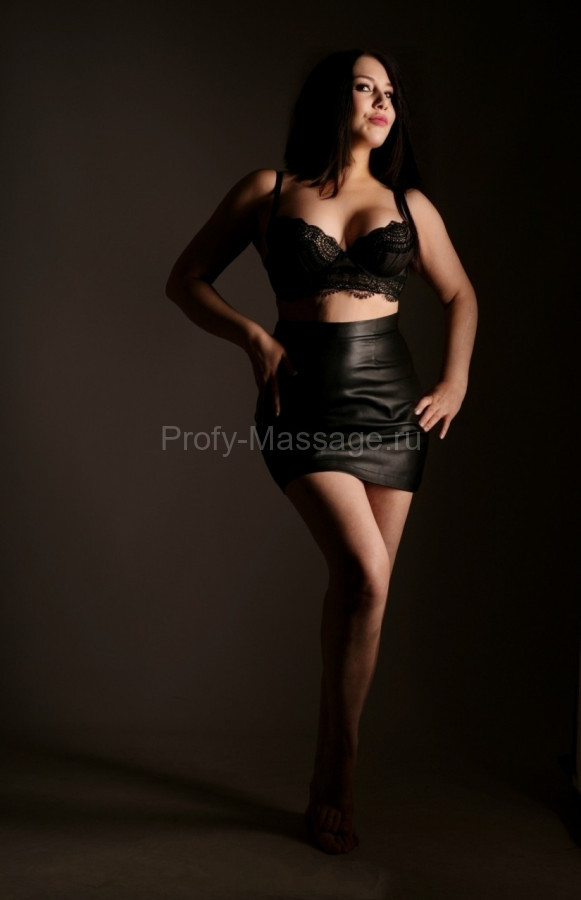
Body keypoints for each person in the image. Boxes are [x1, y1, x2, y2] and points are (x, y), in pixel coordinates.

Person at [165, 48, 478, 855]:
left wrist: (453, 383)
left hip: (390, 407)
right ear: (329, 101)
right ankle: (338, 764)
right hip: (300, 400)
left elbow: (459, 294)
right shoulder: (268, 191)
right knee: (364, 571)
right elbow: (185, 279)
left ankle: (333, 762)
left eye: (389, 93)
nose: (381, 102)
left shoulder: (408, 204)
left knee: (364, 590)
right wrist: (255, 339)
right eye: (363, 87)